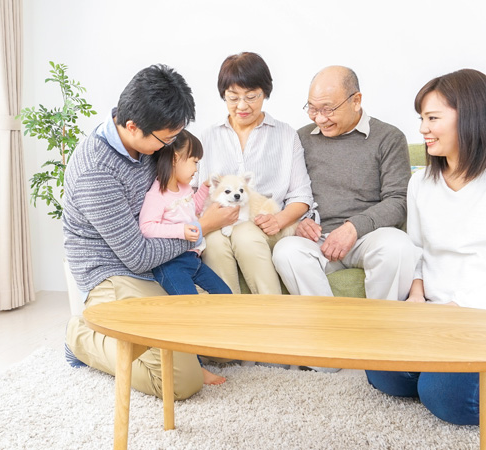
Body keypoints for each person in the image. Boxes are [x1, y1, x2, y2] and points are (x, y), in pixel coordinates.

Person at [365, 68, 486, 425]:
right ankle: (457, 374)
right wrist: (417, 299)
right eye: (421, 118)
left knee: (446, 398)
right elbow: (418, 250)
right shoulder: (421, 182)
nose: (422, 128)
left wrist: (457, 309)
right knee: (381, 372)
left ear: (470, 118)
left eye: (433, 118)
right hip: (442, 316)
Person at [63, 64, 238, 399]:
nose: (169, 146)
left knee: (225, 340)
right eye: (166, 139)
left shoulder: (147, 144)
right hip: (113, 273)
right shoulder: (95, 171)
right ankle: (81, 336)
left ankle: (147, 339)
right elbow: (137, 256)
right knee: (184, 383)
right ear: (132, 126)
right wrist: (201, 228)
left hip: (160, 264)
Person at [272, 66, 417, 303]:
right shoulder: (301, 138)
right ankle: (328, 329)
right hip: (316, 240)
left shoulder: (389, 138)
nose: (319, 118)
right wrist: (297, 222)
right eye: (312, 108)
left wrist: (353, 228)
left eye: (328, 109)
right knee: (286, 251)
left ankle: (382, 328)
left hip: (368, 237)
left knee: (398, 247)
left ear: (356, 101)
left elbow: (399, 200)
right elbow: (283, 192)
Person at [196, 52, 314, 295]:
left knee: (245, 233)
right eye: (233, 97)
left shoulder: (285, 135)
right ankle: (228, 321)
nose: (242, 106)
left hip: (266, 224)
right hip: (219, 225)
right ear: (223, 96)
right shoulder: (207, 137)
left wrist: (279, 220)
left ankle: (271, 314)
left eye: (251, 97)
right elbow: (195, 190)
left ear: (265, 93)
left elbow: (302, 196)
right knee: (215, 241)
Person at [139, 129, 231, 385]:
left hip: (193, 260)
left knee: (226, 297)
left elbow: (193, 209)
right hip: (171, 266)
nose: (196, 168)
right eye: (194, 162)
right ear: (176, 158)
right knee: (189, 313)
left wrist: (203, 189)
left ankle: (227, 346)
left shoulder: (184, 188)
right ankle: (198, 368)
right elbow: (147, 227)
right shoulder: (156, 195)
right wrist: (179, 231)